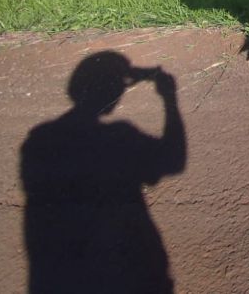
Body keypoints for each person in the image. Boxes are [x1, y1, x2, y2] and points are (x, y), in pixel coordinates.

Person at [20, 51, 186, 294]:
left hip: (61, 274)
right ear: (110, 90)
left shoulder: (40, 139)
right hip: (128, 268)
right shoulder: (120, 136)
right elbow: (174, 161)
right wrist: (169, 99)